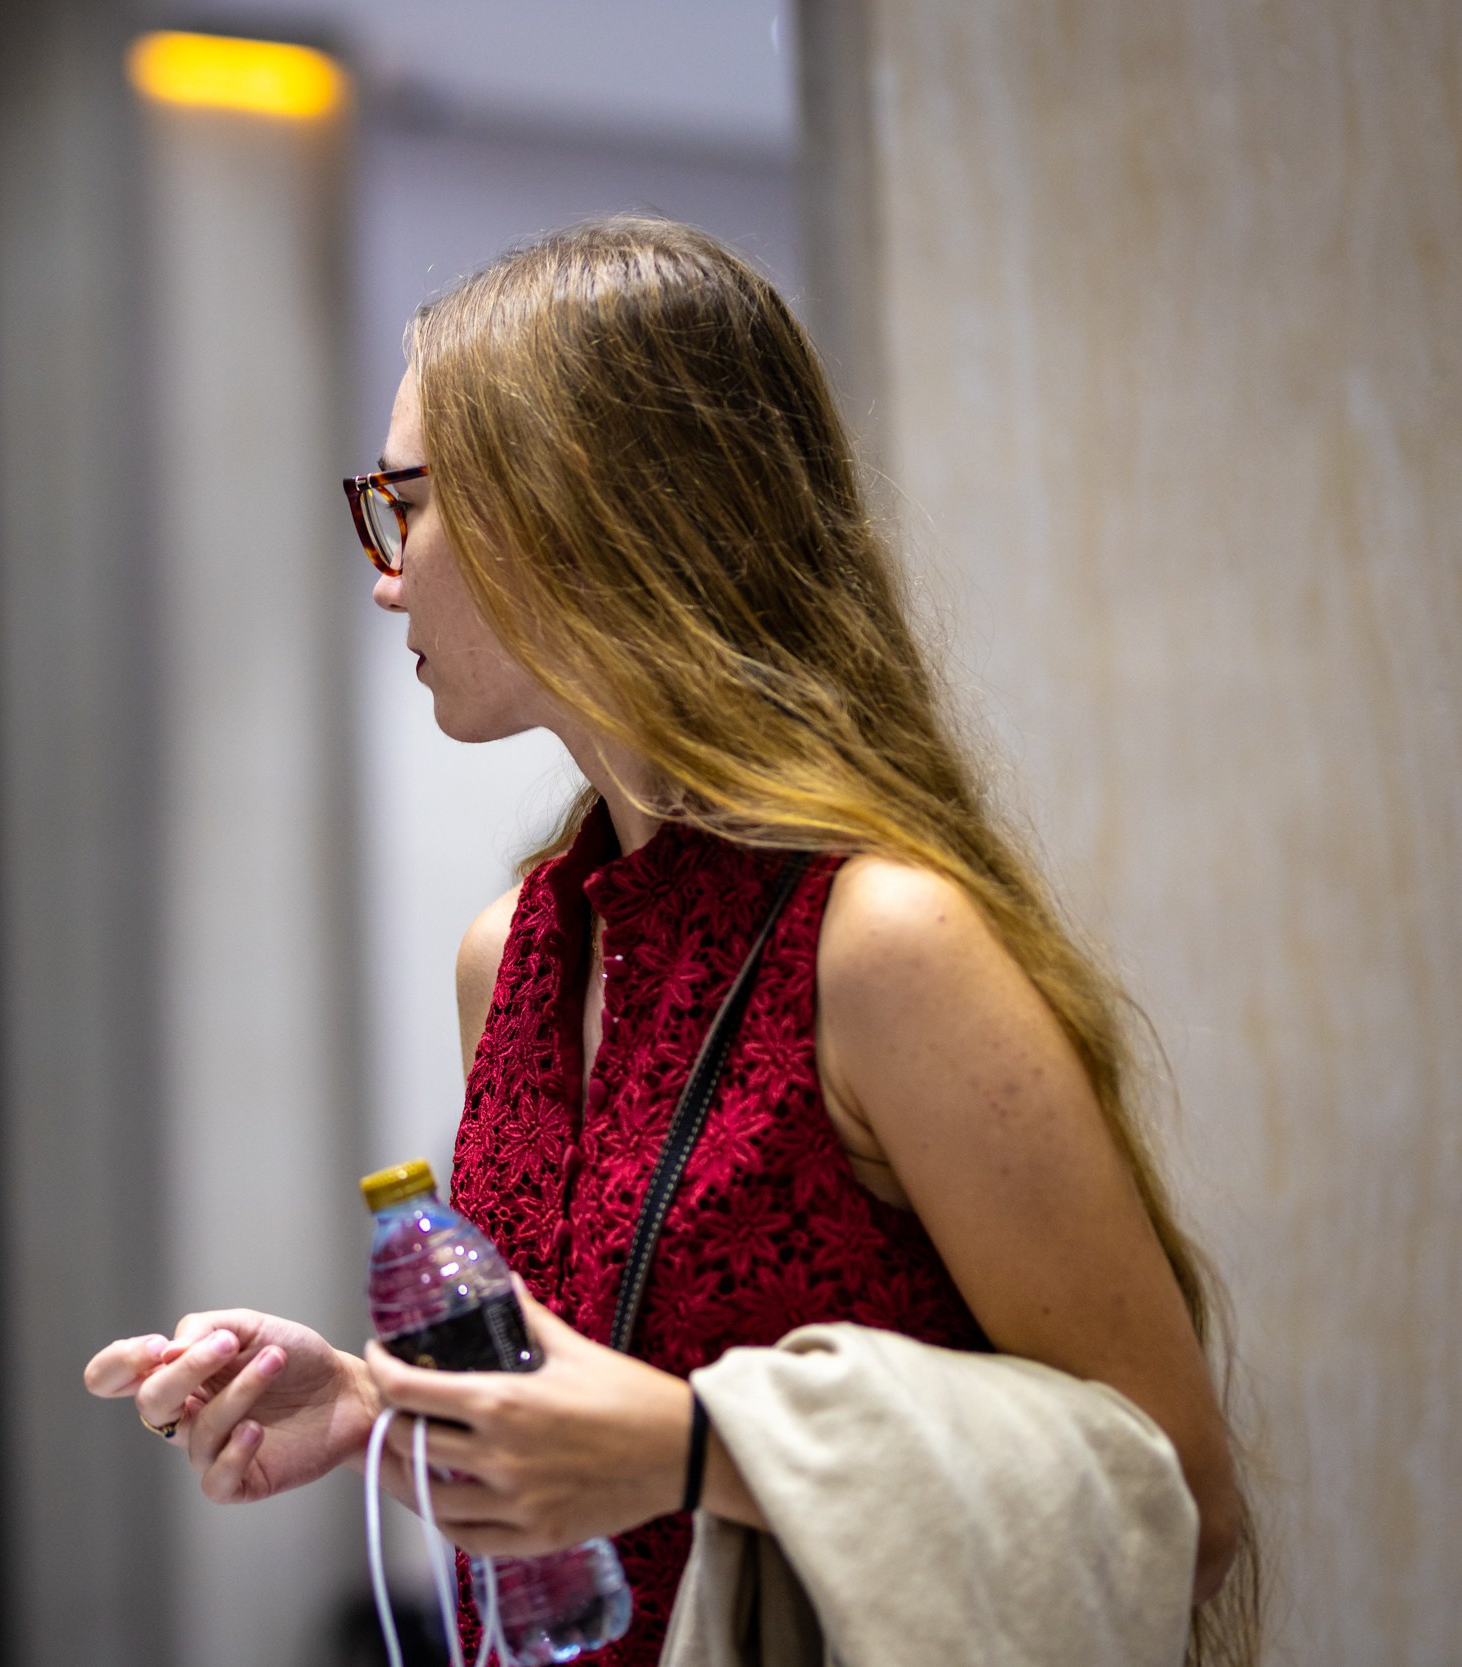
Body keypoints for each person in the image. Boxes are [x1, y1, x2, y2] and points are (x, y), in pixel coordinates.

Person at [85, 217, 1251, 1665]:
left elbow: (1180, 1501)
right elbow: (598, 1412)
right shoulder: (515, 953)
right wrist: (381, 1406)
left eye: (408, 502)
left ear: (574, 509)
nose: (386, 574)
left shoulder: (879, 944)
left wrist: (703, 1448)